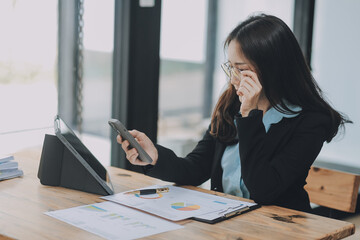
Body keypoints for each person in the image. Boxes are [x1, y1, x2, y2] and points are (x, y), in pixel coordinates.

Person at [116, 14, 351, 212]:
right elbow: (196, 168)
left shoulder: (310, 121)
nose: (233, 79)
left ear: (273, 69)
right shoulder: (231, 102)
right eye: (231, 68)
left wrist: (249, 115)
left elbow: (264, 190)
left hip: (280, 228)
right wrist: (154, 156)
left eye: (241, 70)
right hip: (228, 221)